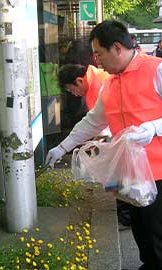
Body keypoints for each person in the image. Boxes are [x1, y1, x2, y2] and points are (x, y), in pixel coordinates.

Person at [46, 20, 162, 270]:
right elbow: (93, 121)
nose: (96, 61)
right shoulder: (112, 83)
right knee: (142, 237)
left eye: (99, 53)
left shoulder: (159, 70)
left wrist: (153, 128)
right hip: (131, 175)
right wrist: (63, 147)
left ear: (117, 48)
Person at [58, 63, 131, 228]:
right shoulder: (94, 81)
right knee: (116, 175)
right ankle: (124, 212)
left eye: (71, 90)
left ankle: (126, 216)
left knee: (118, 175)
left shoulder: (100, 84)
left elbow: (101, 121)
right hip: (116, 135)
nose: (74, 94)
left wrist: (96, 140)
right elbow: (93, 121)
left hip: (120, 135)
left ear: (79, 81)